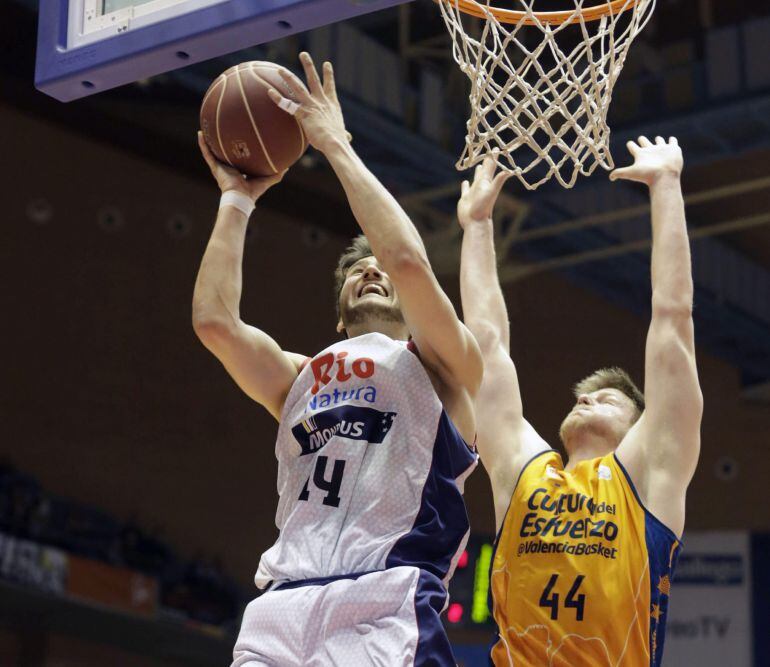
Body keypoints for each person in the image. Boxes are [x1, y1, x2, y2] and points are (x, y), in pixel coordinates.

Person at [192, 52, 482, 666]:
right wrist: (236, 202)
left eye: (377, 269)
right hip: (280, 609)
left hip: (385, 603)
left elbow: (405, 260)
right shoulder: (297, 377)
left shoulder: (448, 365)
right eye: (355, 271)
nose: (372, 270)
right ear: (339, 310)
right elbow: (215, 323)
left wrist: (335, 145)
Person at [457, 138, 702, 666]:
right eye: (583, 396)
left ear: (641, 427)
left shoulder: (647, 474)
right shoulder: (526, 473)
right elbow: (487, 346)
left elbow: (672, 320)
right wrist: (477, 226)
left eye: (607, 398)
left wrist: (666, 187)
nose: (587, 399)